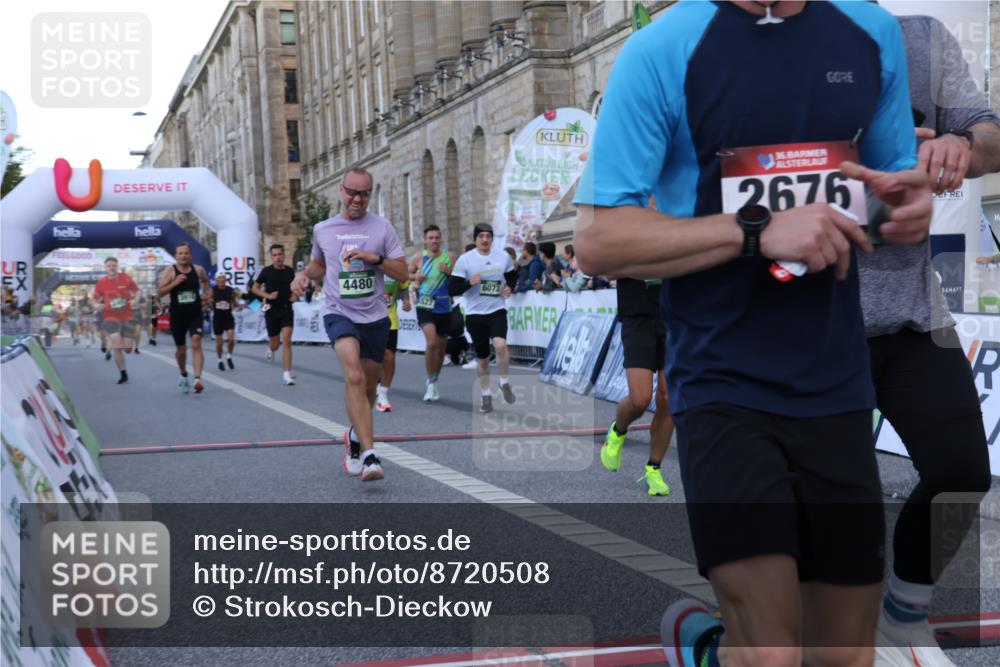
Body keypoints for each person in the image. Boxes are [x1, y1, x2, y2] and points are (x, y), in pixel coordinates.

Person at [572, 1, 934, 665]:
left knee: (842, 656)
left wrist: (900, 210)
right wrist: (755, 229)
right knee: (771, 654)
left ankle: (708, 651)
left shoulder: (869, 31)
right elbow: (596, 240)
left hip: (835, 381)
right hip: (721, 380)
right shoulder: (662, 49)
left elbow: (884, 194)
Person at [861, 14, 1000, 667]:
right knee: (837, 506)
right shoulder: (769, 38)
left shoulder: (921, 37)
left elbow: (990, 136)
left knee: (961, 472)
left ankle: (903, 615)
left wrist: (959, 145)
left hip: (913, 313)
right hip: (807, 323)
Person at [291, 167, 408, 482]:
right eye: (352, 192)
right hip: (338, 311)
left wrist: (375, 259)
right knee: (353, 375)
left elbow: (402, 273)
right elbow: (319, 263)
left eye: (364, 193)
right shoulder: (323, 229)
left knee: (368, 387)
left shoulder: (382, 227)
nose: (357, 199)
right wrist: (304, 275)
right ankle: (369, 456)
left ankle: (355, 435)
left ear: (369, 194)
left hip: (375, 316)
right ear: (341, 191)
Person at [599, 277, 672, 496]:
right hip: (636, 315)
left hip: (673, 315)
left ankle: (654, 469)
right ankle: (617, 431)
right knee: (640, 400)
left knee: (668, 399)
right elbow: (606, 271)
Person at [449, 223, 518, 412]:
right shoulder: (465, 260)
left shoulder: (503, 257)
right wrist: (469, 283)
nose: (485, 239)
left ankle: (504, 382)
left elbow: (512, 277)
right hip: (475, 315)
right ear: (475, 239)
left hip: (497, 310)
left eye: (488, 236)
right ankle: (486, 395)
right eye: (481, 236)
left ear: (492, 238)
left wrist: (509, 288)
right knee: (483, 359)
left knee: (500, 345)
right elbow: (452, 288)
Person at [408, 225, 454, 402]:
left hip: (444, 305)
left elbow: (460, 279)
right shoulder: (419, 258)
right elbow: (405, 274)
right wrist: (415, 278)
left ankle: (434, 381)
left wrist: (448, 272)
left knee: (441, 348)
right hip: (425, 305)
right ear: (425, 240)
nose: (434, 241)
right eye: (431, 238)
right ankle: (430, 383)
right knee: (432, 342)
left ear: (440, 239)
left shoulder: (450, 257)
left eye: (437, 237)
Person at [158, 242, 211, 394]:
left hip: (195, 313)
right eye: (180, 253)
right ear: (176, 256)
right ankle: (183, 374)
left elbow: (205, 281)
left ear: (190, 255)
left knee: (196, 341)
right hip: (177, 315)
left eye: (186, 253)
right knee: (181, 350)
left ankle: (198, 379)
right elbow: (160, 292)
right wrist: (174, 282)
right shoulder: (170, 271)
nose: (183, 256)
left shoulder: (198, 269)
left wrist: (207, 292)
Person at [253, 244, 298, 385]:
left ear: (284, 255)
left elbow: (295, 288)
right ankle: (270, 348)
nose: (278, 257)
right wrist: (268, 296)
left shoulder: (290, 271)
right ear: (271, 256)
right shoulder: (266, 271)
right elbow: (254, 288)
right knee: (275, 345)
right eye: (275, 255)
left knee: (287, 340)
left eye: (280, 254)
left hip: (286, 309)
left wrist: (295, 295)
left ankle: (287, 375)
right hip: (271, 310)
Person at [92, 257, 139, 385]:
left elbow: (137, 291)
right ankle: (123, 373)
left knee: (128, 349)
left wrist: (135, 300)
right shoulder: (101, 282)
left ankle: (123, 343)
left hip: (127, 316)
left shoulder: (126, 278)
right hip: (110, 317)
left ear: (117, 266)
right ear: (105, 268)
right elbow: (94, 298)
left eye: (114, 265)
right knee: (117, 344)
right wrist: (96, 305)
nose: (111, 268)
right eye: (109, 266)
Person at [375, 273, 410, 412]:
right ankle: (376, 380)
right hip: (367, 317)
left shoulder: (395, 266)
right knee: (373, 357)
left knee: (389, 356)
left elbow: (403, 286)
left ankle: (383, 395)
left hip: (389, 318)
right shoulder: (365, 263)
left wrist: (406, 300)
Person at [210, 272, 240, 372]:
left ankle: (229, 356)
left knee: (231, 340)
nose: (222, 280)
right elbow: (207, 299)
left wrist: (239, 305)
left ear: (226, 280)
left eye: (223, 278)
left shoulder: (230, 290)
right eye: (220, 278)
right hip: (217, 318)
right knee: (219, 343)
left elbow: (235, 301)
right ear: (216, 280)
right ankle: (219, 360)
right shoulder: (213, 290)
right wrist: (209, 301)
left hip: (228, 318)